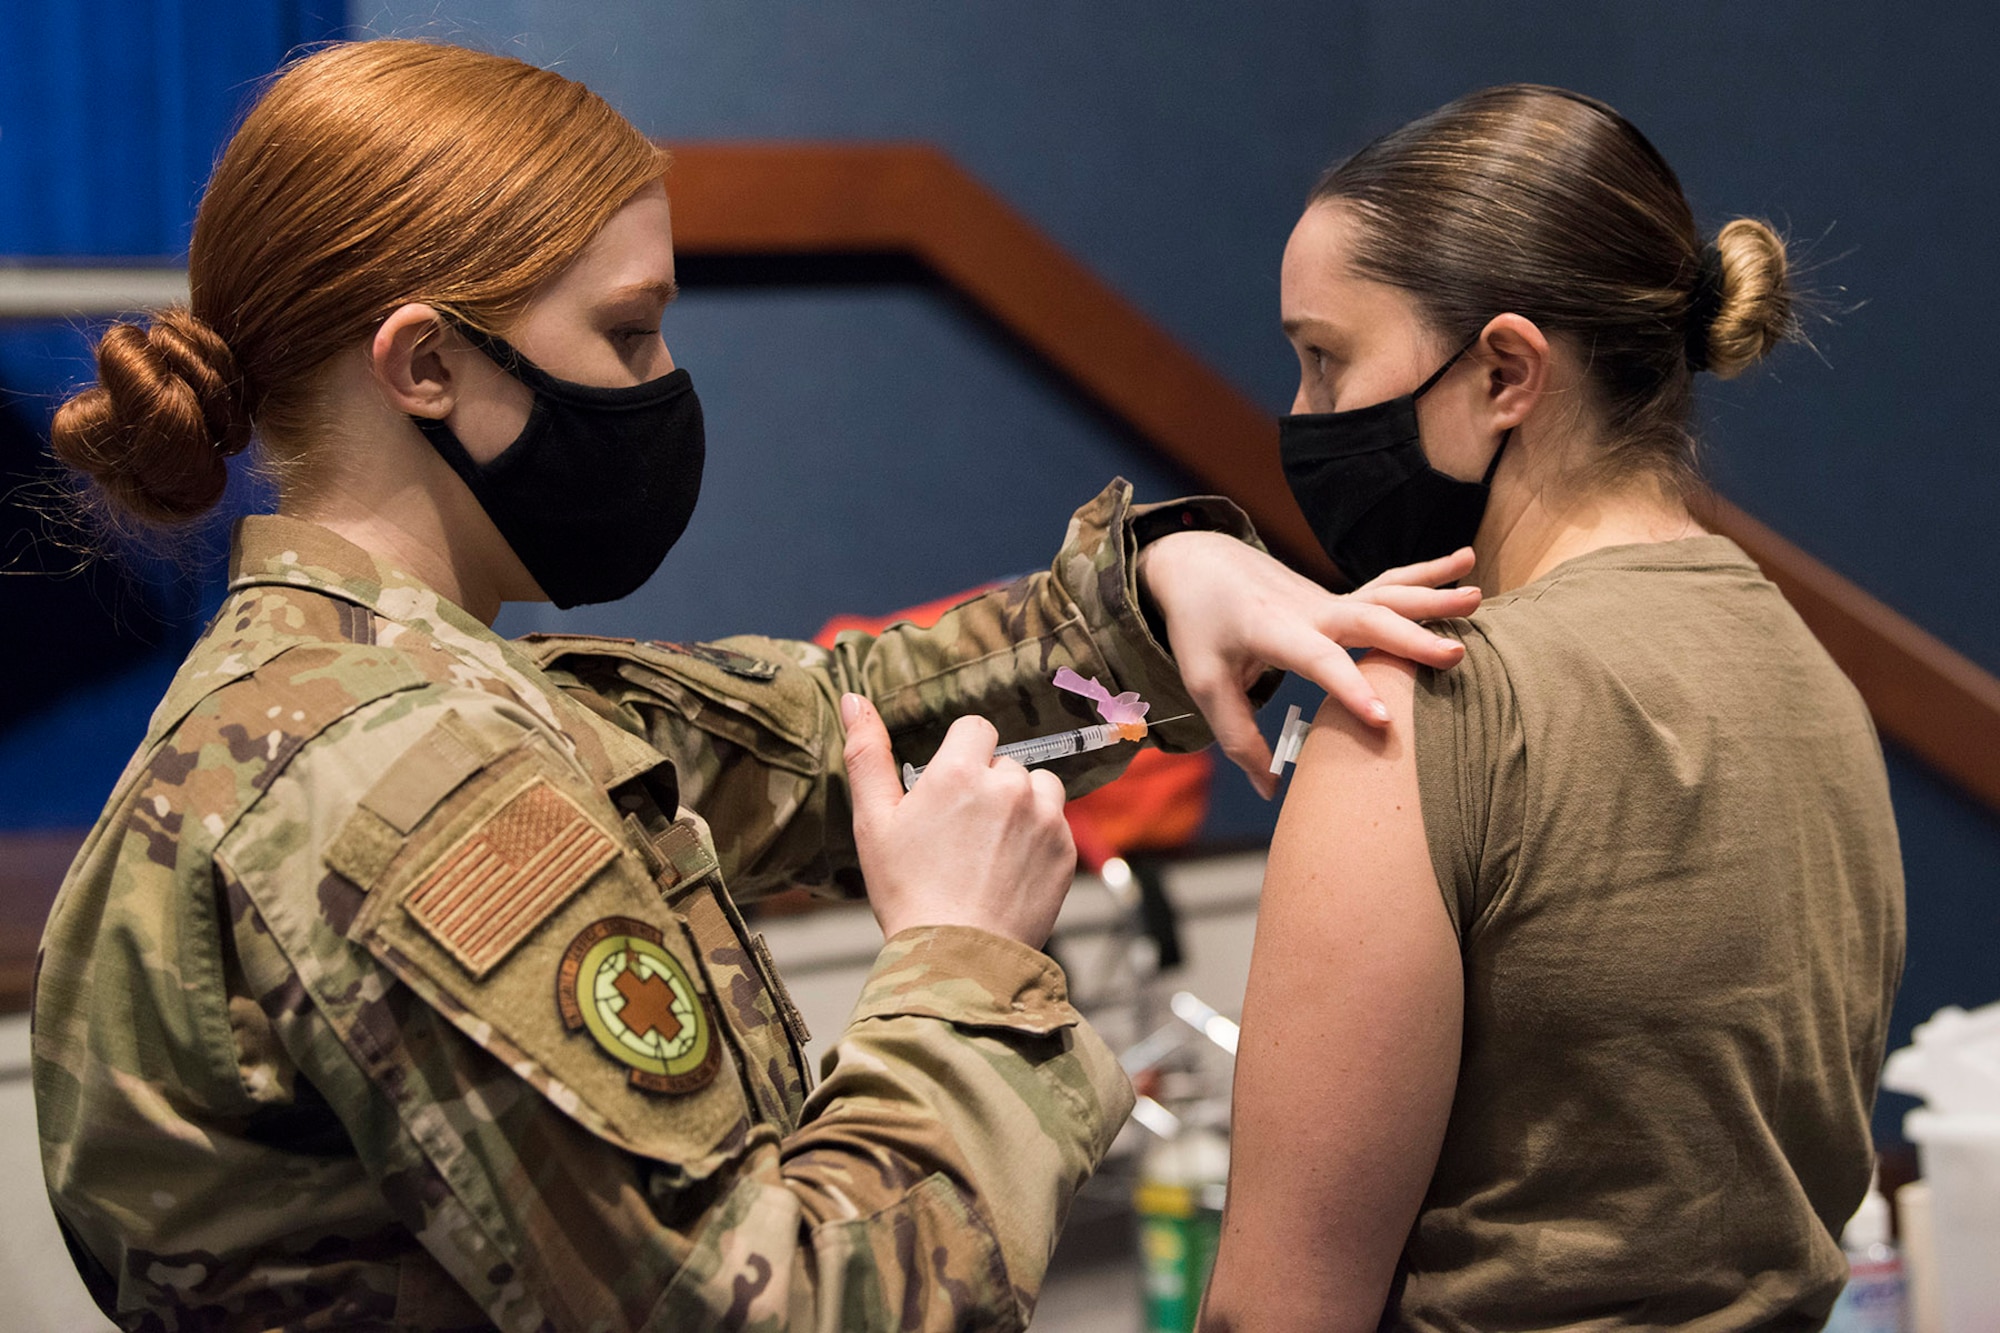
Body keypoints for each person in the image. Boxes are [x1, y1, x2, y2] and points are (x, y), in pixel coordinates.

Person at [29, 40, 1478, 1331]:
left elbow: (826, 722)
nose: (662, 381)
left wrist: (1155, 595)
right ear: (425, 366)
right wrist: (962, 964)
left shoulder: (387, 698)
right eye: (625, 333)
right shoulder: (402, 778)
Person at [1201, 85, 1905, 1331]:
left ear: (1505, 373)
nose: (1302, 417)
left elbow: (1277, 1311)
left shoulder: (1425, 708)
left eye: (1324, 357)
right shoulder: (1815, 683)